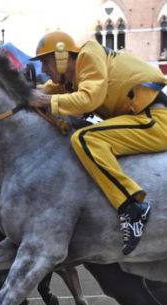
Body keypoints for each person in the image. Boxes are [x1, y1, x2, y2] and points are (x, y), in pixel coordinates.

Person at [29, 31, 167, 255]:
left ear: (62, 56)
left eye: (45, 61)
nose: (43, 69)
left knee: (85, 138)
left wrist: (45, 100)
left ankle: (132, 206)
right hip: (143, 118)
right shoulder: (71, 81)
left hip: (157, 119)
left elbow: (88, 99)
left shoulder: (88, 55)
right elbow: (46, 91)